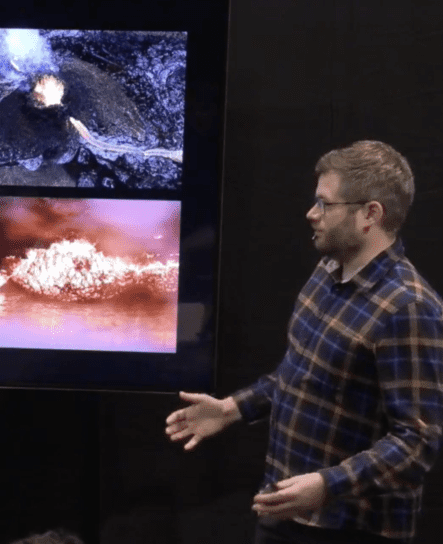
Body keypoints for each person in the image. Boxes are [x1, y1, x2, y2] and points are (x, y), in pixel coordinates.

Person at [165, 141, 443, 543]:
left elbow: (417, 442)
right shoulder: (327, 271)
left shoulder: (408, 308)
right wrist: (232, 409)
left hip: (349, 528)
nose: (311, 214)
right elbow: (301, 373)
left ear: (370, 215)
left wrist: (327, 485)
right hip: (284, 512)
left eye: (325, 204)